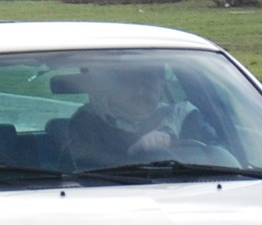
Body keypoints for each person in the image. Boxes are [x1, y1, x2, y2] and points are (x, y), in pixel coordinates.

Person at [64, 61, 203, 167]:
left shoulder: (182, 115)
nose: (140, 92)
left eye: (149, 85)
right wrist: (133, 152)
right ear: (113, 86)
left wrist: (171, 143)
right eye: (131, 83)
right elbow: (84, 166)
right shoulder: (88, 120)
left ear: (162, 85)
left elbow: (210, 151)